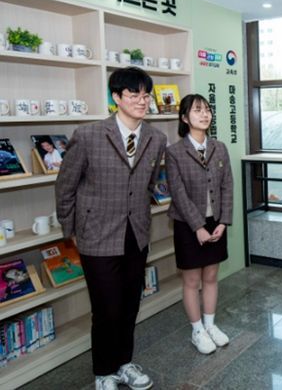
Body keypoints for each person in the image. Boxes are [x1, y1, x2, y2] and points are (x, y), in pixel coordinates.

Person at [56, 67, 166, 390]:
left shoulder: (157, 138)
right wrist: (70, 229)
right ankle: (104, 372)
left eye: (146, 95)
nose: (142, 101)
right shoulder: (88, 135)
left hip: (137, 234)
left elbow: (148, 185)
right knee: (106, 308)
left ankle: (124, 363)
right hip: (96, 235)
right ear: (116, 97)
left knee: (130, 303)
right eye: (133, 94)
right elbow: (66, 185)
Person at [165, 94, 233, 355]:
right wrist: (198, 227)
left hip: (215, 222)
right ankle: (197, 330)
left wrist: (224, 221)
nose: (204, 114)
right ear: (184, 118)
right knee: (192, 279)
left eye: (207, 110)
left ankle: (210, 325)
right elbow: (178, 193)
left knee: (212, 276)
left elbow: (227, 186)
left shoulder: (219, 147)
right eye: (197, 110)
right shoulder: (174, 152)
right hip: (187, 224)